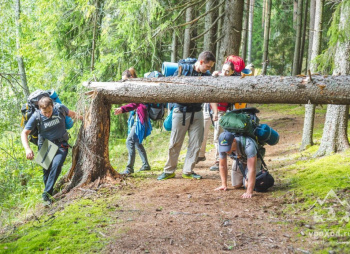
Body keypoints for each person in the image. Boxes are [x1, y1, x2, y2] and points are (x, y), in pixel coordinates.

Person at [157, 51, 216, 180]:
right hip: (180, 111)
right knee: (175, 142)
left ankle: (188, 171)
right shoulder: (182, 69)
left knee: (196, 142)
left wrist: (214, 77)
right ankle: (169, 171)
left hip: (197, 111)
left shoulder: (206, 75)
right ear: (201, 62)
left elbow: (211, 90)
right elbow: (171, 87)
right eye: (208, 66)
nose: (209, 69)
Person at [21, 96, 82, 206]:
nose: (47, 114)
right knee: (47, 172)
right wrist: (27, 149)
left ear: (52, 106)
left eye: (49, 111)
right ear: (40, 109)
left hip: (61, 143)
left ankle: (46, 194)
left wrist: (87, 118)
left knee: (56, 165)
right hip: (45, 145)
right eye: (45, 112)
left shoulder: (60, 109)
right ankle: (49, 196)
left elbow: (74, 115)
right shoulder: (36, 116)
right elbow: (24, 133)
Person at [208, 59, 247, 171]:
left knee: (221, 136)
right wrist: (213, 76)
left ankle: (220, 159)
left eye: (227, 71)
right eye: (223, 70)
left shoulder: (234, 80)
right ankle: (218, 159)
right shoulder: (217, 77)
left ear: (232, 72)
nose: (224, 73)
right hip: (218, 111)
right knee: (218, 136)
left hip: (227, 112)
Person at [114, 68, 152, 175]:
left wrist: (122, 109)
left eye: (125, 80)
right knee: (136, 142)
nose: (124, 82)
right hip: (139, 118)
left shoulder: (137, 87)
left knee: (129, 141)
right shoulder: (135, 87)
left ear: (131, 78)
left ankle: (129, 169)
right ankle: (145, 165)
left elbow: (135, 104)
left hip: (140, 120)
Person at [214, 131, 262, 199]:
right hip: (239, 160)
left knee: (247, 184)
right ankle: (245, 176)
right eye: (224, 148)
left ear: (234, 141)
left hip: (253, 161)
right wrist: (224, 184)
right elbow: (222, 165)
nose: (226, 151)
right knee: (236, 185)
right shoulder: (222, 145)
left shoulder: (248, 145)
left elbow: (252, 169)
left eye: (228, 147)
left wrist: (249, 191)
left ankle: (255, 174)